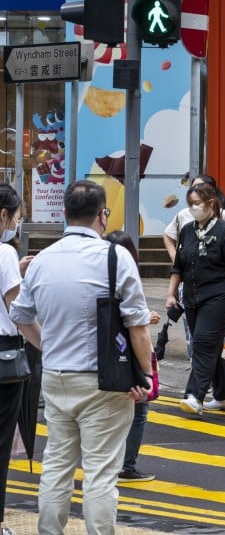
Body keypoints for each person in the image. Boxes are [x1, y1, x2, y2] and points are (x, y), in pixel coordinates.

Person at [11, 180, 153, 535]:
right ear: (102, 216)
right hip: (104, 382)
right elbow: (138, 326)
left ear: (64, 214)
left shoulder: (42, 260)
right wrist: (146, 375)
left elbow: (21, 316)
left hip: (57, 378)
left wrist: (48, 346)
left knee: (57, 466)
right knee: (101, 472)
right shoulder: (114, 256)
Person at [165, 182, 225, 415]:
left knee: (201, 343)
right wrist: (171, 294)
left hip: (218, 297)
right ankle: (224, 395)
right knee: (211, 346)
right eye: (190, 204)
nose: (193, 208)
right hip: (192, 298)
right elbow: (177, 266)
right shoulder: (188, 230)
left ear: (211, 203)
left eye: (197, 203)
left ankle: (194, 395)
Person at [105, 231, 161, 484]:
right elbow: (134, 328)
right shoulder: (126, 275)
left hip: (104, 359)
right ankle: (127, 465)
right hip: (130, 356)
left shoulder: (99, 273)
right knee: (139, 410)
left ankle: (113, 461)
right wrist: (147, 371)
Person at [0, 185, 26, 535]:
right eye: (17, 218)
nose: (16, 225)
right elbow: (18, 311)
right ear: (3, 215)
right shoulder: (4, 252)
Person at [163, 174, 225, 263]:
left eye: (200, 187)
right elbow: (168, 235)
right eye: (194, 187)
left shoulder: (224, 215)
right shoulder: (183, 215)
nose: (196, 190)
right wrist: (175, 257)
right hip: (189, 271)